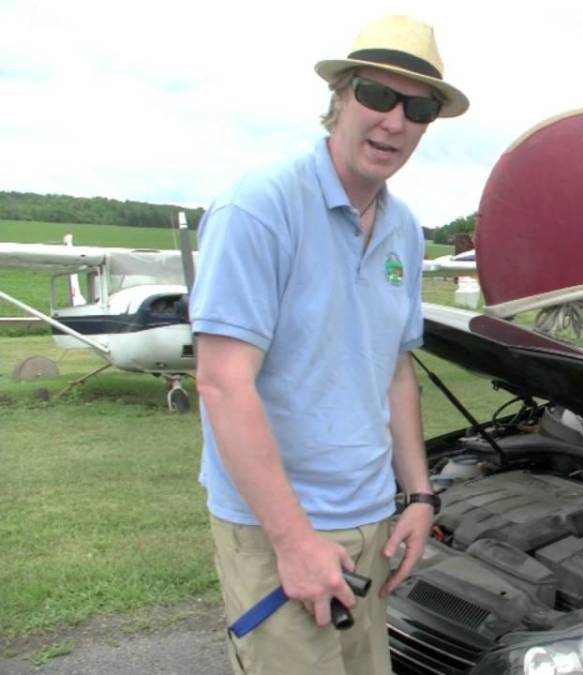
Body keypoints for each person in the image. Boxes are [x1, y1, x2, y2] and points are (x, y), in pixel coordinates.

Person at [188, 16, 469, 675]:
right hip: (279, 526)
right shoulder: (260, 206)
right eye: (378, 95)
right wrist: (294, 543)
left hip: (370, 516)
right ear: (340, 97)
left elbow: (395, 370)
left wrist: (419, 496)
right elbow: (223, 382)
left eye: (418, 106)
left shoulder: (404, 229)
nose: (395, 121)